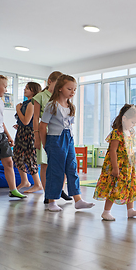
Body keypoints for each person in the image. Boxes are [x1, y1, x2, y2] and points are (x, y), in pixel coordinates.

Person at [39, 74, 94, 212]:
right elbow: (42, 126)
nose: (72, 92)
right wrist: (45, 145)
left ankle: (78, 200)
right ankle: (52, 201)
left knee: (72, 168)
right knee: (55, 170)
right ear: (59, 89)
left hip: (69, 138)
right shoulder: (52, 105)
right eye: (69, 89)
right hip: (55, 139)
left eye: (74, 89)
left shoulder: (70, 106)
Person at [93, 104, 136, 221]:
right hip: (118, 166)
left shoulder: (131, 133)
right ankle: (106, 212)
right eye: (132, 122)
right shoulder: (117, 133)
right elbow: (113, 151)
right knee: (115, 187)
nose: (134, 125)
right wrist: (115, 168)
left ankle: (130, 210)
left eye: (135, 123)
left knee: (130, 186)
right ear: (124, 118)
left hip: (128, 167)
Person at [33, 71, 72, 203]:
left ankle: (58, 190)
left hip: (62, 135)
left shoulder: (64, 98)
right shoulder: (41, 97)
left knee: (65, 165)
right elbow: (36, 118)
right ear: (51, 82)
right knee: (46, 164)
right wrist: (37, 137)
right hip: (47, 134)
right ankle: (47, 193)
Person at [0, 74, 26, 199]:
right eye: (5, 87)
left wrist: (8, 136)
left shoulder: (0, 102)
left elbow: (0, 121)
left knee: (8, 162)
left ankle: (13, 190)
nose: (6, 90)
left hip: (0, 135)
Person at [14, 82, 44, 193]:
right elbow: (25, 121)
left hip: (29, 134)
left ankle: (38, 184)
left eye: (27, 88)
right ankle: (25, 181)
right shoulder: (26, 103)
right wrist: (19, 125)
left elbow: (26, 121)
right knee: (17, 156)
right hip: (22, 132)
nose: (24, 90)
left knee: (30, 158)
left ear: (33, 90)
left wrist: (18, 110)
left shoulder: (32, 103)